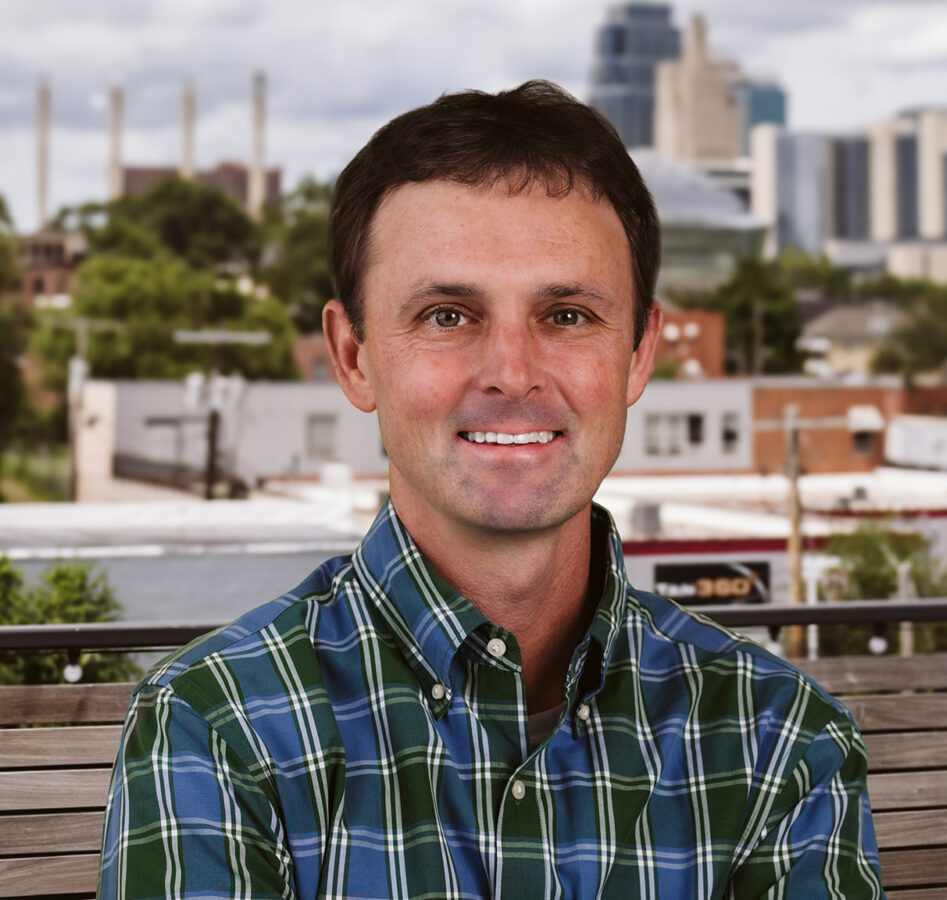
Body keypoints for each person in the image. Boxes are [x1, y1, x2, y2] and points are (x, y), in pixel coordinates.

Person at [99, 81, 884, 899]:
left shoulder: (779, 738)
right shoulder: (214, 728)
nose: (513, 375)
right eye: (447, 315)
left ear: (640, 355)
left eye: (569, 315)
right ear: (353, 356)